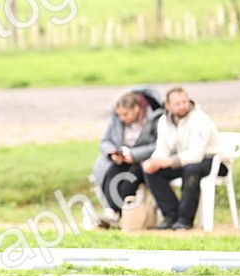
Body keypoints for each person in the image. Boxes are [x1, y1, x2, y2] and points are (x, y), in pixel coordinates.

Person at [141, 86, 227, 230]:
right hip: (182, 161)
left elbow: (197, 154)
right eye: (177, 103)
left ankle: (185, 220)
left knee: (191, 170)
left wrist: (168, 161)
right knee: (151, 171)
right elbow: (162, 148)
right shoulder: (164, 121)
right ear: (167, 106)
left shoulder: (200, 119)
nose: (182, 106)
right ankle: (171, 215)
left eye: (184, 102)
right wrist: (155, 161)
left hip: (212, 161)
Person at [92, 88, 163, 227]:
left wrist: (134, 154)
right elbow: (104, 141)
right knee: (111, 171)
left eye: (125, 114)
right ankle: (112, 212)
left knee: (133, 173)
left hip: (144, 160)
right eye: (119, 115)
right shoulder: (117, 119)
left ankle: (117, 212)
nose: (122, 118)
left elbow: (158, 144)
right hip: (121, 158)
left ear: (136, 108)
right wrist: (112, 153)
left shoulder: (155, 117)